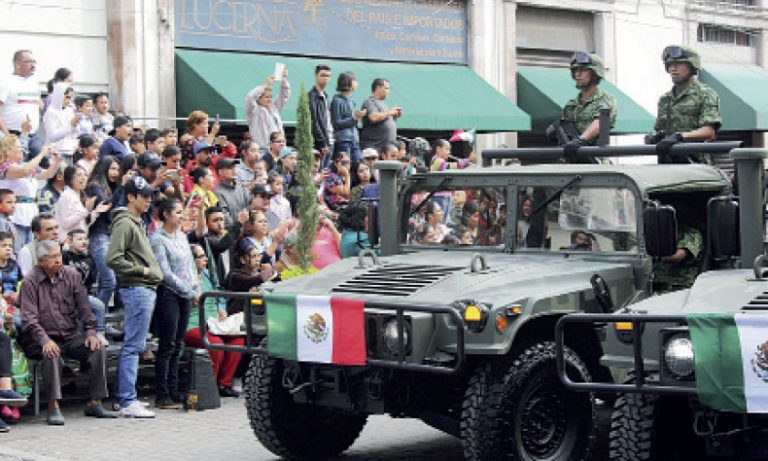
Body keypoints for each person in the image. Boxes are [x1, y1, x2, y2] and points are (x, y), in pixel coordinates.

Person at [19, 240, 119, 425]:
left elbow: (85, 309)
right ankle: (53, 406)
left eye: (59, 255)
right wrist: (44, 340)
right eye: (53, 257)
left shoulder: (71, 275)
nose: (58, 260)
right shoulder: (30, 281)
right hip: (41, 338)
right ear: (41, 261)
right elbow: (29, 320)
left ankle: (95, 402)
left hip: (70, 334)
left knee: (98, 349)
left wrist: (90, 332)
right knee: (51, 353)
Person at [106, 175, 163, 418]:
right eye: (144, 196)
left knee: (134, 346)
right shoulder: (125, 223)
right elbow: (113, 258)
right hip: (137, 288)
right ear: (131, 197)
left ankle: (127, 398)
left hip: (143, 289)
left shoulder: (135, 222)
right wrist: (143, 270)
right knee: (133, 347)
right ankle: (128, 400)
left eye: (151, 196)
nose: (149, 200)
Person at [150, 198, 200, 409]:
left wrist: (196, 289)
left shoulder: (181, 236)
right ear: (166, 215)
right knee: (167, 344)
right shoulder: (158, 239)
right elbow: (164, 272)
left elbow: (190, 266)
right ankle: (162, 394)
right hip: (169, 294)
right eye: (178, 212)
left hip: (186, 294)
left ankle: (174, 389)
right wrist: (187, 290)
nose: (182, 216)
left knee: (179, 343)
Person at [184, 244, 243, 397]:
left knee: (238, 341)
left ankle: (224, 384)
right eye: (201, 257)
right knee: (216, 344)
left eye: (205, 256)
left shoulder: (207, 274)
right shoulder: (184, 278)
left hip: (214, 323)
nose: (205, 260)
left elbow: (218, 294)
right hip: (194, 324)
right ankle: (210, 386)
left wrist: (221, 308)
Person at [647, 45, 722, 164]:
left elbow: (709, 132)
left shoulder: (705, 94)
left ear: (692, 66)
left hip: (695, 164)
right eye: (669, 65)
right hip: (667, 164)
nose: (672, 69)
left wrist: (680, 136)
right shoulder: (665, 99)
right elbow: (660, 130)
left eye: (678, 64)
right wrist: (654, 137)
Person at [0, 135, 61, 249]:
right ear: (7, 150)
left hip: (30, 214)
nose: (22, 149)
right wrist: (41, 153)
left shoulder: (25, 165)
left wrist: (56, 161)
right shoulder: (4, 166)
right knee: (15, 249)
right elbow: (24, 171)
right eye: (19, 146)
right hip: (14, 214)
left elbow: (47, 174)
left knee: (29, 250)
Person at [561, 53, 617, 162]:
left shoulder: (606, 99)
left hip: (596, 161)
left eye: (582, 70)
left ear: (595, 73)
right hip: (573, 161)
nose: (577, 74)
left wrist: (580, 140)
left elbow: (600, 123)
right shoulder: (571, 105)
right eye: (575, 71)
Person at [85, 155, 120, 310]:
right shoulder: (95, 186)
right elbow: (108, 209)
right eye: (112, 168)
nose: (115, 173)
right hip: (99, 236)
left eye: (118, 169)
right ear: (103, 167)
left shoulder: (113, 187)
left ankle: (101, 321)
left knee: (110, 281)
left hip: (110, 235)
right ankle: (96, 322)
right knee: (109, 281)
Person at [62, 229, 108, 345]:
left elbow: (90, 281)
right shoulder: (65, 256)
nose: (84, 242)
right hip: (65, 295)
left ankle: (99, 333)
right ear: (70, 241)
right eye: (79, 239)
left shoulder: (90, 259)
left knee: (99, 305)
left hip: (82, 295)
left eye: (85, 239)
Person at [0, 50, 44, 156]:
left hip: (32, 135)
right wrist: (7, 136)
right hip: (12, 135)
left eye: (34, 62)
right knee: (18, 167)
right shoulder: (6, 82)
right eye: (29, 62)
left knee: (44, 162)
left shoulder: (34, 82)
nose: (33, 65)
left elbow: (38, 102)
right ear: (18, 64)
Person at [55, 165, 111, 236]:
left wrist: (96, 212)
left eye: (85, 175)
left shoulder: (82, 195)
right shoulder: (66, 196)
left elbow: (84, 223)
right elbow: (66, 223)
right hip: (68, 241)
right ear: (70, 178)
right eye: (79, 175)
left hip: (80, 239)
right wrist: (86, 211)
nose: (84, 178)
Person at [245, 67, 291, 150]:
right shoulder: (254, 110)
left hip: (279, 147)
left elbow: (284, 95)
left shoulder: (273, 108)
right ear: (258, 99)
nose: (270, 99)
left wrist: (283, 79)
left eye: (271, 97)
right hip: (262, 149)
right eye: (266, 97)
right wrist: (266, 85)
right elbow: (250, 97)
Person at [331, 71, 366, 164]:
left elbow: (354, 121)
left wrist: (357, 117)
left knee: (358, 163)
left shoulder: (352, 101)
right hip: (343, 140)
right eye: (355, 81)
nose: (357, 83)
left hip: (354, 139)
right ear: (348, 82)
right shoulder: (336, 101)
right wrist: (353, 118)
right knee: (344, 165)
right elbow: (336, 123)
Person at [360, 78, 402, 151]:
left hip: (386, 149)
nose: (388, 91)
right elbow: (373, 117)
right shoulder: (370, 102)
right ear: (378, 87)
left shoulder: (384, 105)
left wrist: (394, 117)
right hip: (375, 147)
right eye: (386, 88)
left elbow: (384, 122)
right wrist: (390, 112)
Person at [43, 83, 79, 163]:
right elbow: (52, 137)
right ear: (59, 95)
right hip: (56, 153)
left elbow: (75, 132)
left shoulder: (69, 110)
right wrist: (70, 125)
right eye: (67, 97)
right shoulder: (51, 112)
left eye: (70, 98)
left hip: (70, 152)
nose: (69, 101)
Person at [214, 157, 250, 227]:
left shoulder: (241, 187)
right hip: (232, 232)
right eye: (230, 168)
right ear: (220, 172)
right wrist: (239, 222)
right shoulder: (218, 192)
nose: (234, 171)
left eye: (234, 167)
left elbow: (250, 204)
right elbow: (225, 218)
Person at [309, 65, 334, 160]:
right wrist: (323, 142)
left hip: (330, 139)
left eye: (328, 76)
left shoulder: (325, 96)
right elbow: (314, 122)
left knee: (327, 172)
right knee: (320, 171)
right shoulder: (312, 97)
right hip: (322, 143)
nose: (325, 78)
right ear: (316, 76)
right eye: (323, 75)